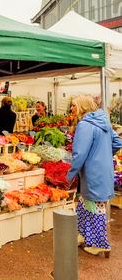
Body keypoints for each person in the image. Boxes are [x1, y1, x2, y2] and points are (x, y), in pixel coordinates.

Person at [66, 95, 122, 258]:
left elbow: (79, 153)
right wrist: (103, 155)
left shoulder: (84, 125)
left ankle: (100, 245)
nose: (72, 109)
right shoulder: (103, 121)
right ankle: (83, 235)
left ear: (82, 107)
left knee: (96, 208)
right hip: (103, 171)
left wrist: (70, 175)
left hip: (92, 173)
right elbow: (118, 143)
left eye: (74, 106)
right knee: (85, 204)